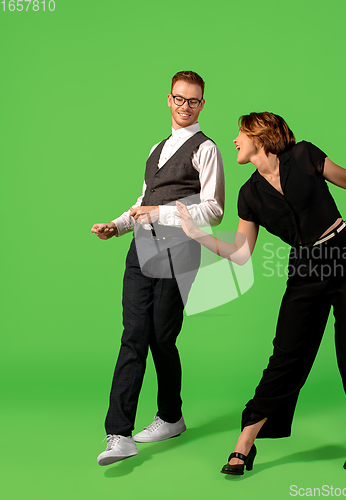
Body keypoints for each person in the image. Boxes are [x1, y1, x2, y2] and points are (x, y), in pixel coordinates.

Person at [175, 112, 346, 474]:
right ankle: (245, 442)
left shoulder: (306, 155)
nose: (235, 141)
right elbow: (241, 253)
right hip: (305, 269)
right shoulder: (249, 194)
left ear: (260, 138)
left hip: (345, 256)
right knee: (286, 356)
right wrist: (197, 234)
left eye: (241, 134)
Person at [90, 70, 224, 466]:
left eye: (193, 101)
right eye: (179, 99)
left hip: (178, 254)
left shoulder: (206, 149)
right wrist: (117, 226)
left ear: (202, 104)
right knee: (134, 334)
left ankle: (170, 417)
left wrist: (162, 213)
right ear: (168, 99)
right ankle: (119, 433)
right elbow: (142, 199)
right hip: (140, 251)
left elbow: (214, 209)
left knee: (161, 339)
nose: (185, 106)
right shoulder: (156, 148)